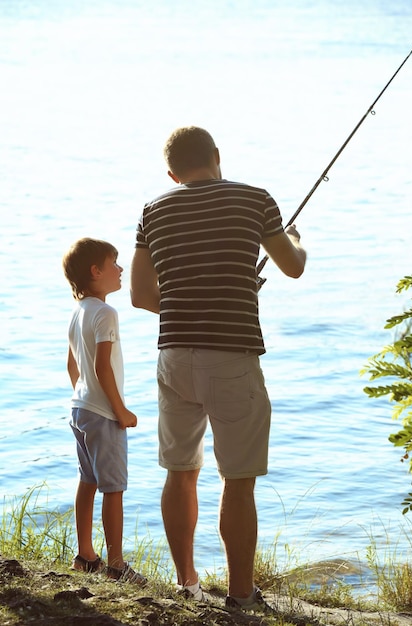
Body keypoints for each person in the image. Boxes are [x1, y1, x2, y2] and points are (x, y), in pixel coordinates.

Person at [130, 126, 306, 612]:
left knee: (180, 471)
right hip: (231, 357)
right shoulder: (256, 200)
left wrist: (194, 297)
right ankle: (241, 596)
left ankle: (186, 583)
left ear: (172, 173)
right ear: (217, 157)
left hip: (173, 358)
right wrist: (292, 239)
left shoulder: (153, 211)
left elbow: (142, 296)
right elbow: (293, 267)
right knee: (238, 479)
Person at [63, 237, 146, 585]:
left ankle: (85, 555)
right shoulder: (107, 313)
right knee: (113, 488)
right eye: (114, 263)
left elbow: (72, 365)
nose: (121, 268)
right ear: (96, 272)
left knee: (88, 481)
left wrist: (85, 398)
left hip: (80, 409)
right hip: (102, 414)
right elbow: (102, 368)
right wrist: (119, 410)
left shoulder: (78, 312)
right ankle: (116, 564)